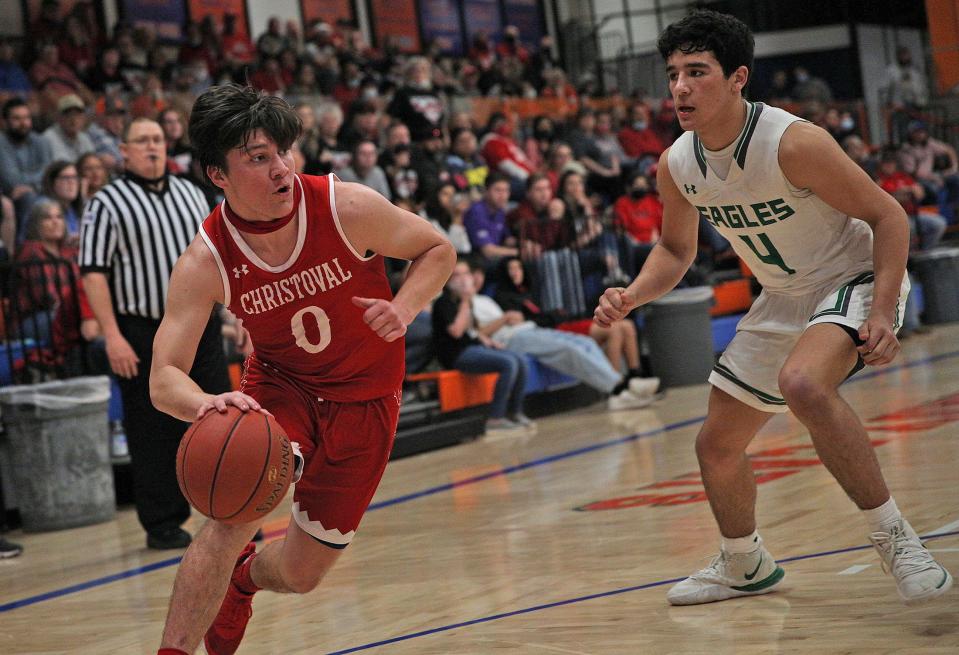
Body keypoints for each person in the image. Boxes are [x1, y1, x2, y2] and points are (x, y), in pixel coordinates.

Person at [595, 9, 952, 607]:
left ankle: (898, 539)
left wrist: (883, 312)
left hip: (852, 275)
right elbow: (675, 249)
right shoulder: (677, 163)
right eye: (673, 73)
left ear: (737, 78)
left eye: (697, 72)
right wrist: (633, 293)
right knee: (715, 445)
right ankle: (745, 563)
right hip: (783, 296)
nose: (679, 87)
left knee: (804, 385)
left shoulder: (794, 142)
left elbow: (889, 215)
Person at [148, 84, 455, 655]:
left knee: (302, 574)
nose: (280, 169)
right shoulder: (206, 258)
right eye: (258, 159)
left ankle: (242, 582)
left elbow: (437, 249)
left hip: (366, 400)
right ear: (218, 174)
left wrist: (404, 307)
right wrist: (205, 404)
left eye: (282, 152)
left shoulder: (346, 207)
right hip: (280, 391)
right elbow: (163, 376)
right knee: (230, 516)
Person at [79, 117, 231, 551]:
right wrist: (112, 335)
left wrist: (236, 317)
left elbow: (221, 259)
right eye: (142, 141)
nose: (153, 148)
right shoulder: (106, 203)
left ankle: (232, 509)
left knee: (220, 415)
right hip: (140, 328)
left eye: (158, 140)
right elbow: (94, 272)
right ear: (122, 151)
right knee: (151, 428)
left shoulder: (191, 192)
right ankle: (164, 521)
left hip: (199, 324)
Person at [433, 259, 533, 434]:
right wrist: (465, 302)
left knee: (521, 360)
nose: (463, 279)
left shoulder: (465, 301)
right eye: (457, 275)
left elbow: (472, 331)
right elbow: (456, 332)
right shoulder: (444, 303)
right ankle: (496, 417)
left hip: (472, 347)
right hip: (456, 354)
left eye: (466, 274)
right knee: (508, 364)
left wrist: (488, 342)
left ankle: (516, 412)